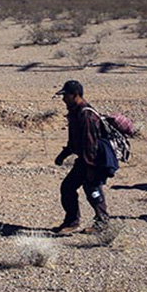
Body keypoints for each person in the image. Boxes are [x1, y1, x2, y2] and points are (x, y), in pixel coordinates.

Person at [52, 80, 110, 234]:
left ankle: (102, 224)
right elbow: (75, 141)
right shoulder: (76, 113)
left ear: (75, 95)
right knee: (69, 187)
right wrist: (63, 155)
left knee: (93, 190)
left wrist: (91, 168)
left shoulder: (86, 116)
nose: (64, 99)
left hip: (93, 161)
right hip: (85, 160)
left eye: (66, 95)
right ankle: (72, 221)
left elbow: (90, 145)